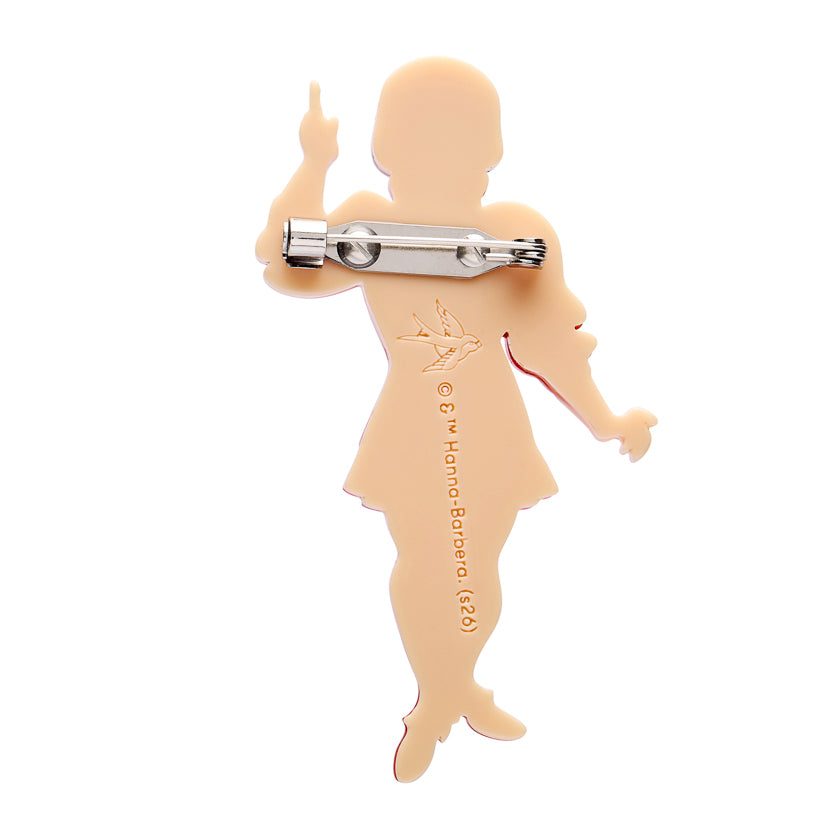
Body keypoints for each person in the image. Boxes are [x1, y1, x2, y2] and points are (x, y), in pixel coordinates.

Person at [256, 58, 656, 782]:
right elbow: (286, 260)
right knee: (423, 564)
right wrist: (313, 165)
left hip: (490, 422)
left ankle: (450, 691)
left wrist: (606, 420)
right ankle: (441, 698)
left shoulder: (516, 230)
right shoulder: (368, 222)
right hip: (411, 422)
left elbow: (546, 341)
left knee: (477, 564)